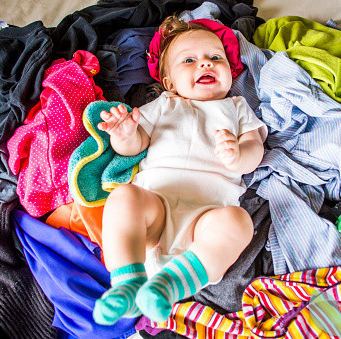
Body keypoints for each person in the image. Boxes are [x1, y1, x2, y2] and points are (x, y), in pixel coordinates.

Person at [92, 16, 267, 325]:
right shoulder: (162, 104)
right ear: (170, 82)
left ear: (230, 70)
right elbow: (135, 146)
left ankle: (168, 285)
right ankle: (128, 281)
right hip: (155, 210)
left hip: (207, 217)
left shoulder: (237, 107)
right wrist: (125, 135)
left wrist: (238, 156)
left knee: (239, 222)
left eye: (216, 58)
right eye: (190, 60)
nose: (205, 64)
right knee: (125, 196)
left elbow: (255, 148)